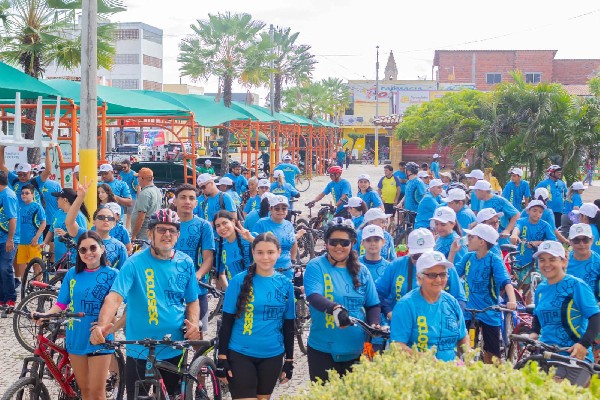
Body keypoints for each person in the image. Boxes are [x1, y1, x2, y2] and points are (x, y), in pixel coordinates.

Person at [90, 209, 201, 400]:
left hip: (174, 344)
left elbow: (192, 301)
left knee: (173, 396)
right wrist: (101, 326)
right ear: (150, 233)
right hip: (139, 346)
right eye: (161, 229)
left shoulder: (186, 262)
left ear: (178, 235)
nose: (167, 234)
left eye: (172, 230)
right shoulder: (134, 263)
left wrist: (192, 323)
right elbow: (114, 297)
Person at [39, 230, 118, 399]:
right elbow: (61, 303)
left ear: (102, 249)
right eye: (83, 250)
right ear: (78, 252)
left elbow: (123, 304)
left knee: (97, 392)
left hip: (100, 338)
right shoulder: (72, 274)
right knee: (85, 390)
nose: (88, 253)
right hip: (76, 336)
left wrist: (112, 325)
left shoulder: (113, 275)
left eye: (93, 248)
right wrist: (44, 315)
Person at [216, 233, 295, 398]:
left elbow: (288, 325)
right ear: (253, 252)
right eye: (260, 252)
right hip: (240, 353)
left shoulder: (286, 284)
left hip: (272, 355)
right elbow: (227, 321)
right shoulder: (238, 281)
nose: (265, 257)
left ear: (279, 252)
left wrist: (289, 361)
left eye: (270, 252)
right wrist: (222, 357)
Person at [304, 218, 380, 382]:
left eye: (344, 242)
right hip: (322, 350)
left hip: (359, 349)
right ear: (326, 243)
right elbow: (314, 296)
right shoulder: (316, 266)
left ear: (352, 243)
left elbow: (373, 304)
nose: (339, 246)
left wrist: (374, 326)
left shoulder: (362, 270)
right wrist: (335, 309)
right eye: (334, 242)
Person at [452, 223, 517, 363]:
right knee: (463, 350)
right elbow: (452, 274)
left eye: (471, 237)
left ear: (482, 242)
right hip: (469, 310)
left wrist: (512, 301)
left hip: (489, 312)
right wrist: (452, 253)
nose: (468, 239)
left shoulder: (494, 260)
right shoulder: (468, 258)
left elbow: (506, 282)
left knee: (492, 355)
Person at [529, 240, 600, 361]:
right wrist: (534, 333)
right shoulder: (540, 289)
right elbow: (537, 315)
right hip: (546, 354)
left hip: (573, 356)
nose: (547, 264)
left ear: (564, 261)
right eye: (542, 260)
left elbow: (595, 317)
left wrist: (583, 344)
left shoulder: (576, 285)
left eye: (552, 259)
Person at [391, 251, 469, 361]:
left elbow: (462, 336)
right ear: (419, 278)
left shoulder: (452, 302)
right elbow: (397, 346)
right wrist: (422, 358)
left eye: (443, 274)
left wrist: (468, 356)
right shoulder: (406, 305)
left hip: (451, 373)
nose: (438, 280)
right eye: (432, 275)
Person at [173, 184, 215, 335]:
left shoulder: (204, 226)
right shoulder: (168, 224)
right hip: (170, 287)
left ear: (196, 203)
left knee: (197, 334)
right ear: (175, 201)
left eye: (191, 198)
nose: (187, 201)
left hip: (197, 288)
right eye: (183, 197)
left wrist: (197, 275)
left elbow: (208, 258)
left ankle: (199, 359)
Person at [510, 200, 557, 295]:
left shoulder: (545, 225)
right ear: (528, 211)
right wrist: (514, 235)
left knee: (535, 288)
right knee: (520, 287)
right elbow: (517, 228)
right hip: (522, 261)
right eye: (534, 210)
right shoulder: (522, 221)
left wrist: (538, 243)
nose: (537, 214)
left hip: (538, 262)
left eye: (540, 212)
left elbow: (553, 242)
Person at [252, 196, 297, 279]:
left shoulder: (289, 225)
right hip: (268, 269)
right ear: (270, 209)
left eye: (284, 208)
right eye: (277, 208)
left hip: (287, 269)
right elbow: (254, 246)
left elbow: (293, 242)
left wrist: (293, 260)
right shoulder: (261, 224)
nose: (281, 211)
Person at [43, 188, 89, 263]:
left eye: (58, 198)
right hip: (58, 257)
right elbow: (51, 230)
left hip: (72, 258)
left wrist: (66, 234)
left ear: (65, 200)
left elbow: (83, 237)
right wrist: (45, 242)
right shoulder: (57, 213)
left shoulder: (78, 216)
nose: (56, 200)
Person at [15, 184, 46, 287]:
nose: (24, 195)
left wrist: (36, 237)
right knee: (22, 263)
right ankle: (24, 285)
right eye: (22, 193)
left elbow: (43, 223)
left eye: (27, 193)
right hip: (22, 240)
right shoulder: (18, 206)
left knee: (36, 264)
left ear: (32, 194)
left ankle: (38, 284)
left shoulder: (37, 207)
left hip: (34, 241)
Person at [214, 210, 253, 286]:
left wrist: (251, 239)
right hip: (236, 294)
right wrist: (229, 291)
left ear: (233, 222)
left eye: (224, 223)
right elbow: (221, 274)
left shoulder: (250, 237)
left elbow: (271, 249)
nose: (222, 228)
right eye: (218, 226)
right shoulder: (221, 248)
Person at [566, 223, 600, 302]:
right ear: (570, 242)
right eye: (576, 240)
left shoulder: (598, 262)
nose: (581, 244)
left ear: (592, 240)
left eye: (585, 240)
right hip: (568, 308)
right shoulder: (563, 262)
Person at [89, 204, 128, 270]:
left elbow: (124, 272)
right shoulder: (85, 242)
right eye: (101, 217)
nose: (106, 220)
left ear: (114, 223)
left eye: (110, 218)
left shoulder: (120, 247)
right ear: (94, 221)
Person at [0, 172, 18, 307]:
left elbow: (12, 218)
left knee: (6, 268)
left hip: (7, 239)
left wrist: (10, 239)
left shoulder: (8, 195)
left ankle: (11, 297)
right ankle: (2, 297)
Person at [131, 167, 162, 241]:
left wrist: (134, 235)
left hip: (143, 232)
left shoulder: (145, 193)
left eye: (138, 177)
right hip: (152, 228)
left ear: (141, 178)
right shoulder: (157, 190)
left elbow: (141, 217)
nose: (137, 179)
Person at [119, 159, 139, 232]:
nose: (123, 169)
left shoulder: (133, 174)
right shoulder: (121, 173)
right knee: (120, 214)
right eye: (122, 167)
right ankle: (121, 229)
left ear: (129, 166)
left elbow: (137, 186)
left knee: (129, 215)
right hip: (122, 197)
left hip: (132, 197)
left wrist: (138, 197)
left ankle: (127, 230)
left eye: (125, 167)